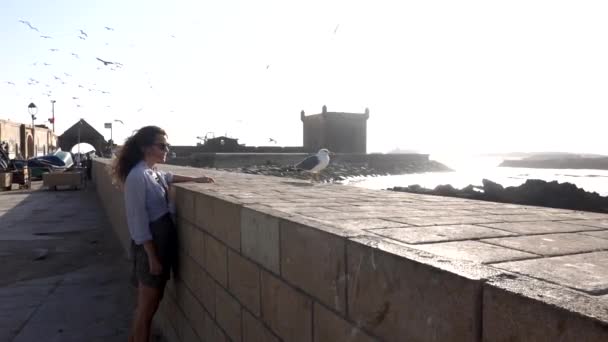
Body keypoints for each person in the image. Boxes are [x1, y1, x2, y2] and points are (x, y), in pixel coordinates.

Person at [112, 126, 214, 342]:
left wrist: (196, 179)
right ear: (145, 148)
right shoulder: (137, 177)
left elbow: (167, 177)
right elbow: (137, 221)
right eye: (162, 145)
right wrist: (152, 257)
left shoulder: (151, 172)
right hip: (151, 247)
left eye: (167, 145)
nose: (167, 148)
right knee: (146, 309)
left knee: (151, 304)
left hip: (160, 244)